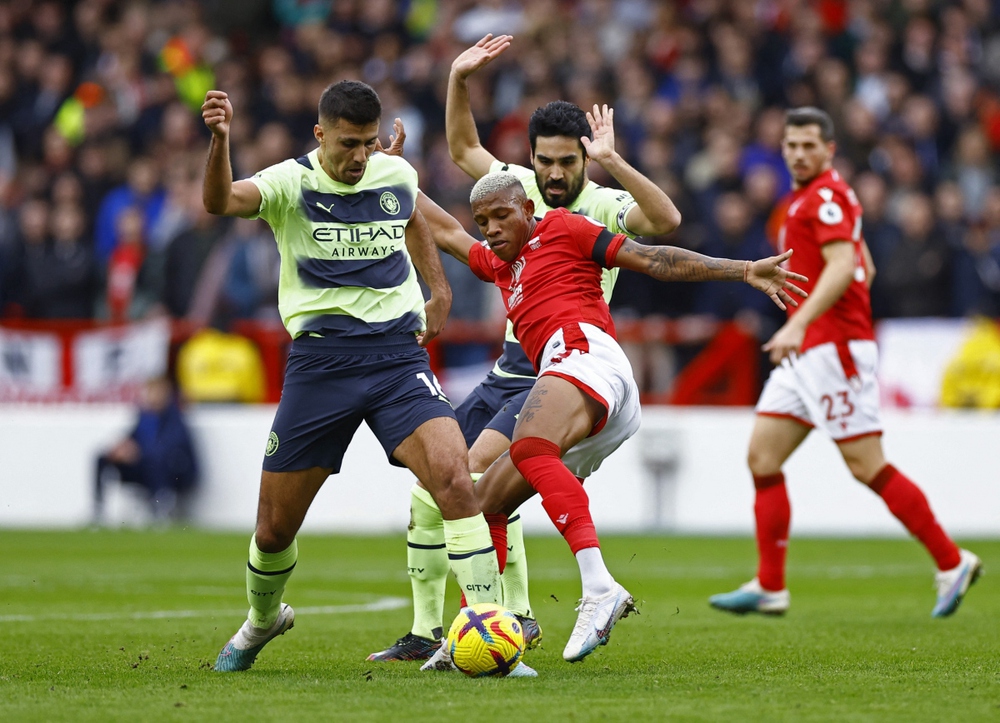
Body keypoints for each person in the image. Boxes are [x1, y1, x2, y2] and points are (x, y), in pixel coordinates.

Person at [368, 33, 683, 664]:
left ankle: (510, 617)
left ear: (584, 161)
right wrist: (457, 78)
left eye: (569, 162)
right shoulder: (514, 190)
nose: (556, 173)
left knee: (475, 477)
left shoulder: (601, 205)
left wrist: (615, 161)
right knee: (435, 486)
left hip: (561, 367)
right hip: (509, 366)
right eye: (546, 161)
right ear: (531, 160)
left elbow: (665, 223)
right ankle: (434, 630)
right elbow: (461, 153)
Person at [421, 170, 806, 665]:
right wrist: (392, 175)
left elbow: (653, 259)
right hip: (582, 388)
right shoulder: (497, 265)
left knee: (528, 446)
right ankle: (480, 632)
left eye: (502, 216)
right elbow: (446, 231)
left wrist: (742, 269)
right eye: (483, 221)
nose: (491, 228)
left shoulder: (562, 227)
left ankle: (599, 587)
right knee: (485, 501)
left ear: (527, 211)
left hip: (586, 356)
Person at [200, 80, 504, 673]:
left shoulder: (392, 173)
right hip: (319, 364)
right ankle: (262, 621)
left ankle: (489, 635)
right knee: (272, 529)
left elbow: (416, 215)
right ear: (320, 135)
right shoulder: (290, 182)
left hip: (396, 358)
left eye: (368, 144)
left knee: (455, 478)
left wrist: (438, 289)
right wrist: (221, 140)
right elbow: (219, 203)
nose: (360, 157)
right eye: (347, 145)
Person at [708, 107, 982, 618]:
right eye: (792, 145)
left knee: (866, 466)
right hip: (812, 351)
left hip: (831, 351)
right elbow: (865, 266)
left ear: (829, 150)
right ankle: (771, 585)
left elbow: (845, 265)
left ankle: (951, 561)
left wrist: (801, 323)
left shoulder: (826, 196)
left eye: (810, 145)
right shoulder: (809, 199)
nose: (799, 153)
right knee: (763, 458)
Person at [93, 376, 199, 524]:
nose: (153, 396)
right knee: (103, 457)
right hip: (144, 467)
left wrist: (138, 452)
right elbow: (133, 436)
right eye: (150, 391)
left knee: (155, 458)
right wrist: (122, 448)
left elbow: (171, 444)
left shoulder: (175, 416)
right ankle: (98, 509)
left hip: (174, 472)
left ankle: (162, 505)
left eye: (157, 392)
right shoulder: (144, 416)